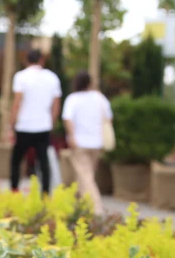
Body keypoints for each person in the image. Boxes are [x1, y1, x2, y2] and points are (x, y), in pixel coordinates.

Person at [10, 49, 62, 194]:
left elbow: (17, 103)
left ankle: (14, 190)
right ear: (42, 60)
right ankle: (45, 194)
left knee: (16, 161)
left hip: (24, 126)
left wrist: (11, 125)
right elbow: (56, 106)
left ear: (26, 60)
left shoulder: (21, 77)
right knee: (44, 162)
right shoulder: (52, 78)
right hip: (43, 126)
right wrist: (51, 123)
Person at [61, 70, 111, 215]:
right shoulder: (100, 98)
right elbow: (108, 118)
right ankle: (79, 207)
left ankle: (96, 209)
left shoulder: (73, 99)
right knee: (86, 176)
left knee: (85, 177)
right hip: (97, 142)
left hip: (79, 142)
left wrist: (71, 136)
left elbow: (67, 119)